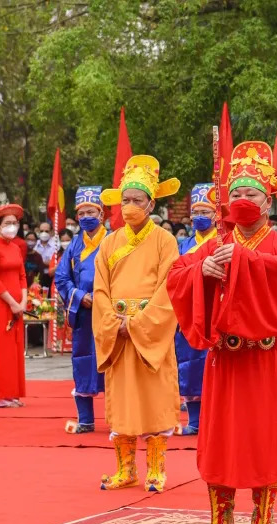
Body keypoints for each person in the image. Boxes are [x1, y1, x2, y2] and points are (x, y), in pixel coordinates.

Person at [166, 140, 277, 524]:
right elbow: (176, 275)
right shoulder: (214, 244)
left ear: (268, 201)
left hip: (265, 358)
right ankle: (222, 522)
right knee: (219, 440)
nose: (242, 200)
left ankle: (262, 523)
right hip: (225, 360)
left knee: (262, 437)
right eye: (236, 194)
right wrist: (203, 270)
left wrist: (244, 261)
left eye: (250, 193)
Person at [94, 155, 182, 492]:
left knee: (155, 402)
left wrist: (138, 324)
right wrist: (111, 324)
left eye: (137, 201)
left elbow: (168, 289)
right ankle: (125, 469)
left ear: (151, 203)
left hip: (149, 335)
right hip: (118, 334)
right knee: (123, 406)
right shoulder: (109, 243)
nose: (130, 206)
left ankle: (156, 470)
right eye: (126, 200)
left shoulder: (165, 241)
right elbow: (100, 289)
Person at [55, 187, 109, 433]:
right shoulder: (74, 245)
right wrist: (78, 297)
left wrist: (103, 298)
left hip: (109, 312)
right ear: (77, 217)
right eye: (82, 212)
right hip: (84, 314)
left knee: (113, 365)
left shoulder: (113, 240)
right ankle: (86, 419)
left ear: (102, 214)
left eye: (92, 211)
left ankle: (119, 421)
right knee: (83, 361)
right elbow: (61, 277)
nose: (87, 216)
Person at [173, 184, 219, 436]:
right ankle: (194, 420)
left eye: (205, 210)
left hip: (217, 313)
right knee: (190, 365)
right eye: (196, 211)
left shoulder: (224, 241)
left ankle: (219, 422)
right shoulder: (182, 244)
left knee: (217, 366)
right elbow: (173, 274)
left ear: (215, 214)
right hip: (189, 312)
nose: (199, 216)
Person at [0, 203, 29, 408]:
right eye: (8, 223)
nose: (12, 226)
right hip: (0, 302)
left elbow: (22, 275)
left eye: (15, 223)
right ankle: (0, 395)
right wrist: (12, 303)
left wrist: (23, 301)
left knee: (15, 346)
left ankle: (13, 392)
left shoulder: (16, 248)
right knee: (1, 346)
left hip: (17, 302)